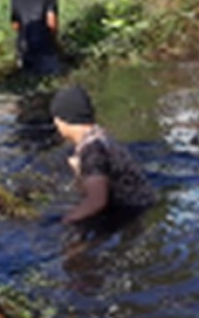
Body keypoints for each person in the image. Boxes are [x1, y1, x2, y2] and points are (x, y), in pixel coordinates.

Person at [50, 87, 156, 224]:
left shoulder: (91, 150)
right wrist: (79, 171)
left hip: (129, 214)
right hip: (141, 204)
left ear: (63, 121)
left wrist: (66, 220)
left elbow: (97, 201)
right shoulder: (99, 135)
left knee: (73, 233)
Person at [9, 0, 60, 76]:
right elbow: (52, 23)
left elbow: (16, 24)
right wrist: (55, 43)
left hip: (25, 49)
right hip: (44, 47)